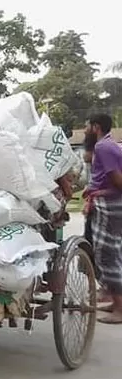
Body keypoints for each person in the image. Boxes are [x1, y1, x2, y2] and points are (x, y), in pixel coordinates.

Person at [83, 113, 122, 324]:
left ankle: (120, 308)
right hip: (108, 202)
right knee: (110, 252)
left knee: (107, 254)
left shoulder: (103, 148)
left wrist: (99, 192)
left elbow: (116, 179)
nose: (85, 129)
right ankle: (114, 300)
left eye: (87, 126)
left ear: (96, 127)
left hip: (110, 205)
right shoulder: (107, 145)